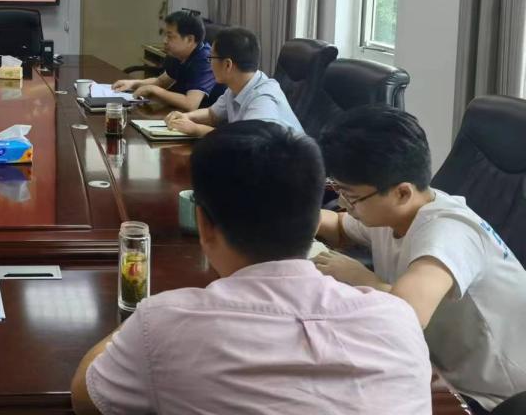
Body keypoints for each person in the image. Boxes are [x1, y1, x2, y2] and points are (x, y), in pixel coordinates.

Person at [72, 121, 430, 415]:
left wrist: (138, 323)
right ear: (314, 219)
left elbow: (86, 397)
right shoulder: (398, 321)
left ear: (203, 224)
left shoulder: (165, 325)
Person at [314, 105, 526, 413]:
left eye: (352, 197)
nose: (345, 205)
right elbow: (337, 226)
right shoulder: (394, 211)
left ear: (402, 193)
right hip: (437, 363)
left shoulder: (449, 233)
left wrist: (362, 278)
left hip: (491, 394)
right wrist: (289, 217)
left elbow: (406, 314)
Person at [163, 26, 303, 137]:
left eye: (211, 58)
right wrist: (185, 117)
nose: (209, 64)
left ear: (227, 65)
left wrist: (196, 129)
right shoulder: (237, 86)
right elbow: (212, 115)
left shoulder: (263, 99)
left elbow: (248, 141)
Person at [112, 11, 217, 112]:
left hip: (208, 120)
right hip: (182, 115)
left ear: (190, 39)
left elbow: (190, 104)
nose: (165, 41)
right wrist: (133, 84)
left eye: (170, 36)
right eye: (165, 35)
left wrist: (153, 89)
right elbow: (161, 82)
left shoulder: (206, 60)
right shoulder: (178, 54)